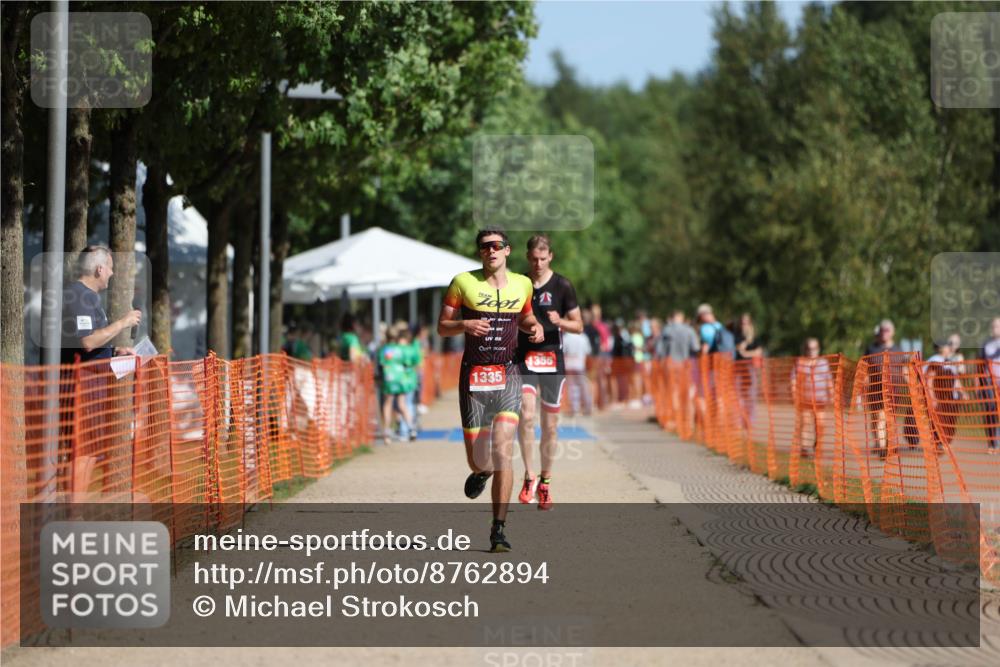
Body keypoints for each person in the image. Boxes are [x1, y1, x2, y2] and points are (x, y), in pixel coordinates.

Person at [437, 228, 543, 552]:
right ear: (480, 252)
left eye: (497, 246)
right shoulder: (462, 282)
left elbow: (526, 317)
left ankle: (499, 528)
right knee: (479, 460)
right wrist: (465, 325)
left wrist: (535, 327)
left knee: (503, 451)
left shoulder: (523, 284)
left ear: (507, 251)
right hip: (473, 377)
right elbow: (442, 326)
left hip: (508, 373)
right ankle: (481, 473)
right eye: (485, 247)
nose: (491, 251)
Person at [514, 234, 583, 510]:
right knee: (527, 415)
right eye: (533, 259)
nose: (538, 263)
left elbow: (579, 325)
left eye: (543, 258)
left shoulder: (563, 285)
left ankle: (545, 481)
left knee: (551, 427)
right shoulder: (520, 283)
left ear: (550, 256)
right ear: (528, 258)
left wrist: (561, 321)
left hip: (553, 359)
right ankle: (529, 475)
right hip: (525, 358)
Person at [61, 245, 141, 364]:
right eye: (110, 268)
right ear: (100, 269)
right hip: (81, 380)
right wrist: (124, 322)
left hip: (92, 379)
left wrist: (114, 351)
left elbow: (92, 341)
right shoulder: (78, 294)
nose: (112, 273)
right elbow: (88, 342)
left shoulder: (88, 295)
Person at [863, 319, 917, 457]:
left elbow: (904, 369)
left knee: (889, 419)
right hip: (876, 390)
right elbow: (864, 369)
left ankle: (886, 444)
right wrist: (864, 383)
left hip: (894, 390)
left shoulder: (898, 349)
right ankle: (881, 447)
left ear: (892, 332)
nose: (884, 333)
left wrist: (912, 386)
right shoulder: (871, 349)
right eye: (882, 330)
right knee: (879, 417)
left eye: (887, 330)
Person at [658, 310, 699, 432]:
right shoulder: (689, 330)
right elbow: (695, 347)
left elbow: (660, 350)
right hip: (685, 365)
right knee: (688, 393)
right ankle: (689, 423)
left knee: (673, 393)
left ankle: (676, 421)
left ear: (673, 317)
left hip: (670, 365)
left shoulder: (667, 330)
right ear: (682, 317)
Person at [791, 338, 832, 458]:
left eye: (814, 348)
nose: (811, 351)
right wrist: (794, 393)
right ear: (805, 349)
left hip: (820, 400)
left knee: (820, 424)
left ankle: (817, 445)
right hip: (805, 398)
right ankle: (804, 449)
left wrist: (832, 393)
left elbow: (828, 379)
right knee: (805, 423)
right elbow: (793, 379)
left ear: (818, 349)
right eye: (809, 348)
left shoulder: (824, 363)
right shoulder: (800, 363)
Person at [379, 323, 417, 442]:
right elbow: (407, 363)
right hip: (401, 378)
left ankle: (386, 433)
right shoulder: (401, 349)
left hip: (389, 377)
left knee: (387, 404)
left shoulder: (383, 349)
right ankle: (411, 428)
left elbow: (381, 364)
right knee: (402, 404)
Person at [925, 339, 963, 454]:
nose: (949, 348)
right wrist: (932, 396)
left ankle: (945, 442)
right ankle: (938, 443)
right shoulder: (935, 361)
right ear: (940, 348)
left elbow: (955, 380)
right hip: (938, 397)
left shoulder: (949, 361)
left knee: (949, 420)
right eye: (947, 346)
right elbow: (929, 380)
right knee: (938, 420)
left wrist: (962, 391)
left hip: (950, 397)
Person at [734, 313, 764, 432]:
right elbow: (739, 350)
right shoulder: (737, 337)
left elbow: (758, 352)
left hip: (751, 371)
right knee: (739, 397)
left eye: (746, 322)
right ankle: (740, 422)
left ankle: (749, 421)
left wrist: (747, 354)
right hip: (738, 370)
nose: (744, 325)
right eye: (742, 323)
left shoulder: (756, 338)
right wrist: (746, 341)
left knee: (750, 397)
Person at [979, 317, 1000, 453]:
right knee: (991, 411)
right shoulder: (986, 344)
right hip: (989, 383)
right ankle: (992, 444)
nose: (995, 328)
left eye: (998, 326)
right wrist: (979, 386)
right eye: (994, 326)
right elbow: (979, 365)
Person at [562, 329, 592, 417]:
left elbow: (563, 351)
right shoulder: (583, 337)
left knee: (572, 387)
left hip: (569, 364)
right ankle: (587, 407)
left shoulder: (566, 337)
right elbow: (588, 351)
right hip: (580, 364)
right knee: (583, 386)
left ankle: (575, 408)